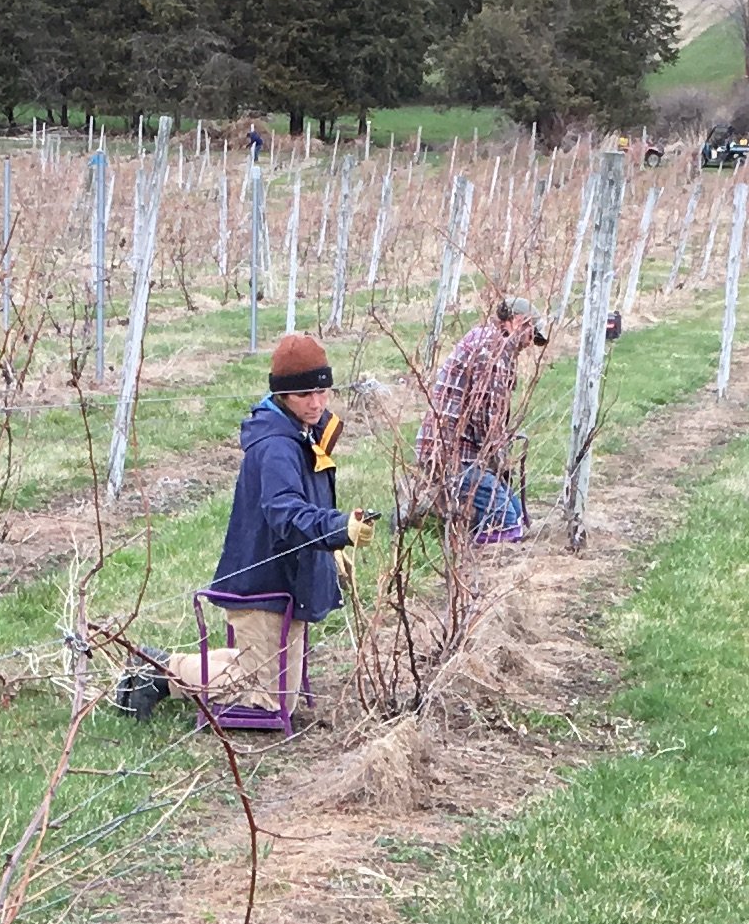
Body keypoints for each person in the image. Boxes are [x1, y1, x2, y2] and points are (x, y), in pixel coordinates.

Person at [188, 328, 371, 701]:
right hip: (262, 586)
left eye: (323, 391)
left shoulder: (305, 433)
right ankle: (161, 672)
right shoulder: (276, 447)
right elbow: (285, 514)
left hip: (287, 582)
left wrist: (332, 549)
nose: (317, 402)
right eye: (305, 394)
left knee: (272, 691)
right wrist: (337, 528)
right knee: (267, 701)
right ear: (282, 394)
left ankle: (219, 664)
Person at [414, 295, 553, 541]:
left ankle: (444, 513)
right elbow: (485, 419)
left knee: (517, 515)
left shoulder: (488, 340)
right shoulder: (494, 351)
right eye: (531, 333)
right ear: (518, 321)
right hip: (453, 454)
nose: (530, 343)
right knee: (508, 526)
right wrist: (499, 461)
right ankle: (438, 520)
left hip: (461, 450)